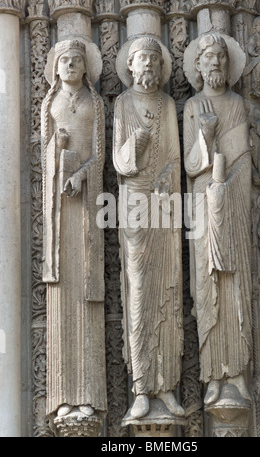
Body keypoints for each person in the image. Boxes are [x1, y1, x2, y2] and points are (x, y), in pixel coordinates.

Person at [113, 37, 184, 420]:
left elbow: (174, 157)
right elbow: (120, 164)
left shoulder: (169, 105)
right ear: (131, 66)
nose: (150, 67)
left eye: (155, 61)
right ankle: (142, 389)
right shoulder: (123, 105)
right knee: (139, 295)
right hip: (134, 207)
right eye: (143, 60)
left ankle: (168, 387)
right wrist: (136, 145)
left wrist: (167, 182)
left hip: (165, 203)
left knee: (168, 295)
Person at [184, 32, 252, 406]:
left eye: (221, 59)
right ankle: (213, 376)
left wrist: (226, 188)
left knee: (235, 288)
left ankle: (238, 374)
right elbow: (191, 165)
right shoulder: (193, 106)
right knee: (207, 289)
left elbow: (243, 160)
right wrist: (206, 138)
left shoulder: (238, 105)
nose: (215, 65)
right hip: (202, 206)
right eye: (208, 58)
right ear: (197, 66)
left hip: (233, 204)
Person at [41, 39, 106, 432]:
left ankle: (91, 397)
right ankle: (63, 398)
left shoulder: (95, 104)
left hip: (87, 214)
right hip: (58, 221)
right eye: (64, 59)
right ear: (56, 67)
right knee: (62, 298)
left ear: (86, 68)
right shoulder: (50, 104)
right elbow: (44, 154)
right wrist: (56, 150)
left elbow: (99, 155)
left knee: (87, 297)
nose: (70, 65)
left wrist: (82, 174)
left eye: (76, 60)